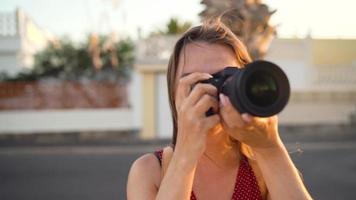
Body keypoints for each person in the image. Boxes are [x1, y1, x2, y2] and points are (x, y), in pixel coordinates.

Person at [127, 19, 313, 200]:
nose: (209, 92)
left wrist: (269, 147)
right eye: (196, 82)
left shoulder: (264, 170)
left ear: (244, 84)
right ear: (174, 93)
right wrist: (185, 155)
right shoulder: (150, 172)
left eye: (226, 79)